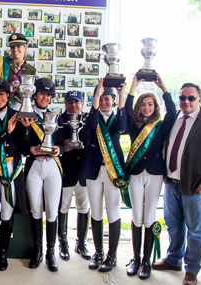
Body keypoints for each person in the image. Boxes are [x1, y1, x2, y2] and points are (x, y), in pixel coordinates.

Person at [153, 82, 201, 285]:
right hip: (171, 183)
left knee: (196, 230)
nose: (186, 101)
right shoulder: (174, 120)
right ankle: (173, 259)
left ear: (199, 100)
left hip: (196, 186)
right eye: (182, 98)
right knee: (173, 225)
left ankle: (192, 270)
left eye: (191, 98)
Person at [125, 73, 176, 279]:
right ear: (139, 106)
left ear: (155, 106)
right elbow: (126, 111)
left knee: (149, 217)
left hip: (155, 174)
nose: (147, 107)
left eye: (150, 104)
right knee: (136, 215)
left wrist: (164, 88)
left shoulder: (161, 125)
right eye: (143, 104)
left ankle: (147, 261)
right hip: (136, 173)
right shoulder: (133, 125)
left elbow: (172, 112)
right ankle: (136, 258)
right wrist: (133, 86)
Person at [0, 77, 30, 271]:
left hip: (12, 170)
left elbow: (25, 149)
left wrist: (25, 130)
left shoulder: (17, 115)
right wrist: (6, 133)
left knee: (7, 213)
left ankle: (3, 252)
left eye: (2, 93)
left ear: (8, 95)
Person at [79, 78, 127, 272]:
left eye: (108, 99)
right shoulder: (94, 117)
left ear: (114, 101)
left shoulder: (117, 118)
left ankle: (112, 256)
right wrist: (95, 97)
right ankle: (98, 253)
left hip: (112, 171)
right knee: (96, 211)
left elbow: (123, 127)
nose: (105, 102)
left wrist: (122, 95)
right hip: (93, 169)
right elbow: (90, 125)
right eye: (102, 98)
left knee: (112, 211)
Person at [25, 78, 64, 272]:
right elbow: (21, 143)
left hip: (52, 167)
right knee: (35, 209)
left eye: (48, 95)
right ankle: (37, 251)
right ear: (35, 94)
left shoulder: (57, 117)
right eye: (42, 93)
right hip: (34, 166)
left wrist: (59, 149)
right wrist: (30, 148)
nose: (45, 97)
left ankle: (51, 253)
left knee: (52, 211)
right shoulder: (27, 114)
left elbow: (65, 141)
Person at [57, 90, 91, 261]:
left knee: (83, 207)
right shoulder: (58, 120)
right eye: (70, 102)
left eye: (77, 102)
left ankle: (81, 243)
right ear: (65, 103)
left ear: (82, 104)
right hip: (66, 170)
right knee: (63, 206)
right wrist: (62, 145)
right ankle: (62, 243)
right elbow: (54, 142)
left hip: (84, 171)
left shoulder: (88, 120)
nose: (74, 105)